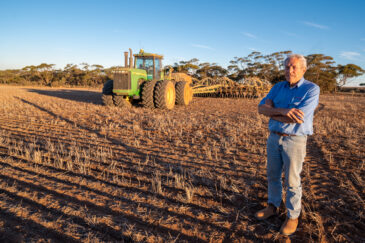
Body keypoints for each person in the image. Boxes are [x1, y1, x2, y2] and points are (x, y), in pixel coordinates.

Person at [256, 54, 320, 235]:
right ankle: (273, 206)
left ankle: (293, 216)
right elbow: (261, 108)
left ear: (303, 69)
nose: (289, 71)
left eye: (293, 67)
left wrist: (271, 112)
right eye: (286, 67)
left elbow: (298, 118)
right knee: (272, 175)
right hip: (274, 137)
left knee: (292, 181)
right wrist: (283, 111)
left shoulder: (311, 89)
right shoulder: (277, 87)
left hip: (295, 140)